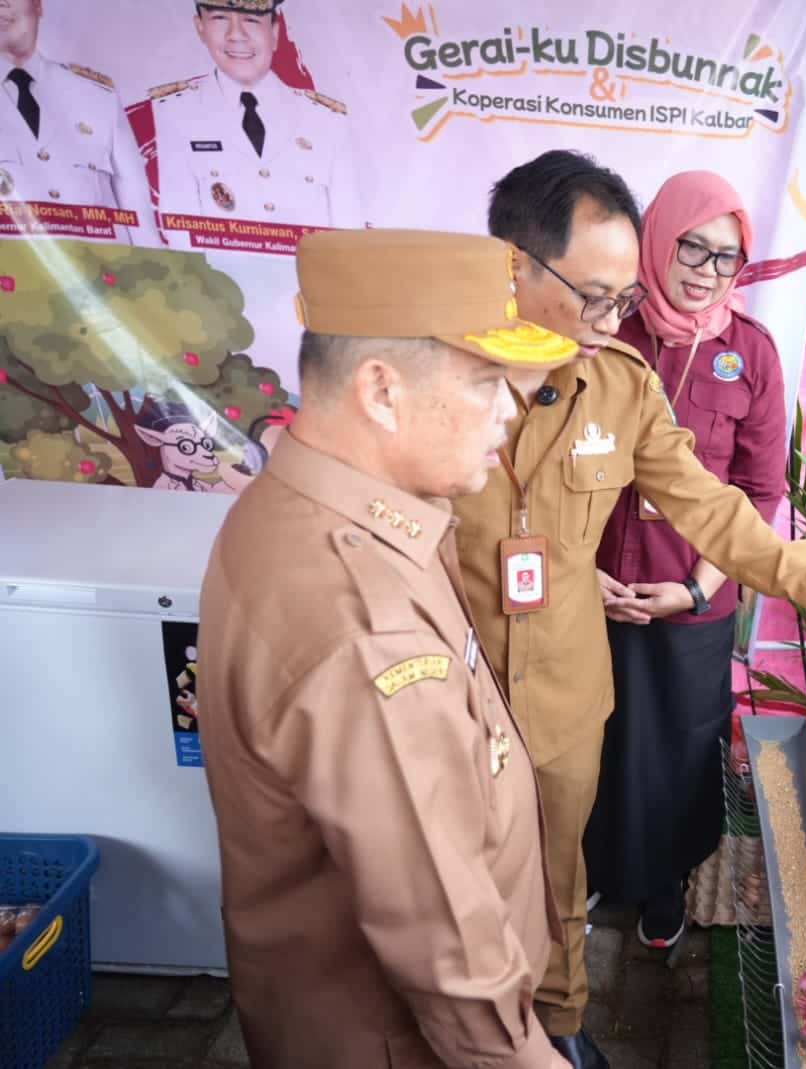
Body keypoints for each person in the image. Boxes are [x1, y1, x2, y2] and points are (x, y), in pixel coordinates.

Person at [454, 149, 806, 1069]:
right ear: (514, 266)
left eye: (621, 299)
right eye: (594, 296)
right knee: (449, 872)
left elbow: (722, 507)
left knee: (560, 873)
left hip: (559, 692)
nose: (610, 321)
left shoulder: (622, 385)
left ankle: (556, 1025)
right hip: (451, 688)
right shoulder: (435, 377)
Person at [195, 228, 581, 1069]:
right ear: (381, 390)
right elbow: (446, 945)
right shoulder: (366, 624)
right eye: (486, 383)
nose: (511, 412)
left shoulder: (305, 506)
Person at [581, 171, 785, 949]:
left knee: (674, 744)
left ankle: (663, 881)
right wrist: (575, 572)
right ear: (656, 240)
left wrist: (696, 590)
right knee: (593, 737)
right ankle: (591, 867)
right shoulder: (603, 333)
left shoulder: (752, 355)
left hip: (691, 596)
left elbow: (760, 491)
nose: (703, 267)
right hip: (588, 587)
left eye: (725, 256)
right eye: (691, 246)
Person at [149, 0, 363, 228]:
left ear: (274, 32)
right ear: (200, 27)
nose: (236, 35)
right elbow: (181, 229)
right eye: (220, 18)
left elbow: (349, 230)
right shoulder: (174, 113)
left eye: (251, 19)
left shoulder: (327, 120)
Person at [0, 0, 158, 243]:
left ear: (38, 5)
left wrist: (153, 278)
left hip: (103, 274)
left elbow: (139, 220)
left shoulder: (97, 96)